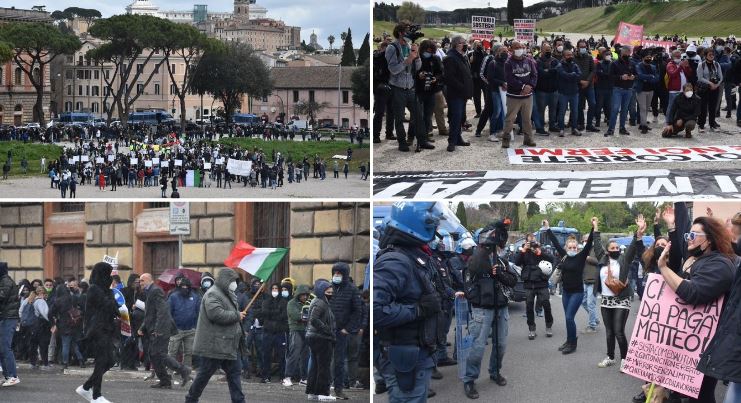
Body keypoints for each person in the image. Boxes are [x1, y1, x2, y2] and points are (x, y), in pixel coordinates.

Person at [658, 209, 736, 403]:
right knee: (687, 392)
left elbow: (693, 293)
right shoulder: (702, 259)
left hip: (706, 346)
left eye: (693, 235)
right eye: (687, 235)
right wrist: (675, 217)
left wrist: (663, 268)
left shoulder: (721, 265)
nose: (688, 239)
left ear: (708, 240)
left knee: (701, 395)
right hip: (691, 342)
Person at [375, 202, 447, 403]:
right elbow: (375, 310)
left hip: (416, 353)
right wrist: (417, 310)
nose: (437, 229)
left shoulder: (412, 255)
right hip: (405, 357)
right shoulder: (396, 261)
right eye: (433, 224)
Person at [461, 220, 517, 399]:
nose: (498, 242)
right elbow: (474, 268)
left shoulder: (501, 260)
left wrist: (499, 273)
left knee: (501, 345)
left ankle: (495, 372)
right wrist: (490, 236)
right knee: (477, 347)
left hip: (501, 308)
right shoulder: (477, 256)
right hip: (482, 309)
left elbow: (513, 280)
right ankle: (469, 379)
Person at [185, 269, 245, 403]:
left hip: (228, 344)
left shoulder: (228, 294)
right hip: (214, 346)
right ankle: (191, 399)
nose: (235, 284)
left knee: (234, 374)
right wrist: (237, 315)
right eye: (233, 281)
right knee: (204, 375)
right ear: (225, 280)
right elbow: (216, 314)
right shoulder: (213, 294)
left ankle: (239, 401)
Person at [594, 215, 644, 369]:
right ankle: (610, 357)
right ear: (607, 251)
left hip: (622, 299)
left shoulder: (624, 259)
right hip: (606, 300)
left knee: (618, 331)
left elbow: (633, 246)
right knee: (609, 332)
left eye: (617, 248)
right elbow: (596, 243)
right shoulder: (603, 259)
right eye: (612, 248)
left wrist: (639, 232)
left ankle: (625, 359)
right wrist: (595, 227)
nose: (616, 250)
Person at [545, 217, 597, 354]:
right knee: (569, 319)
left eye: (575, 247)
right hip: (566, 293)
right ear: (566, 248)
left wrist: (593, 227)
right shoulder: (564, 256)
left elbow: (590, 241)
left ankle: (573, 344)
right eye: (570, 247)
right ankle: (569, 340)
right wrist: (548, 228)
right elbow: (555, 243)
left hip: (577, 293)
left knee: (569, 317)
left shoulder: (581, 256)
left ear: (577, 247)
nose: (573, 249)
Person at [386, 22, 434, 153]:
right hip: (397, 88)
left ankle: (422, 140)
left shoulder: (409, 46)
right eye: (407, 31)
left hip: (411, 88)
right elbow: (393, 69)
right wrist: (408, 60)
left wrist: (416, 56)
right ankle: (402, 143)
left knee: (419, 115)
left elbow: (417, 68)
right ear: (400, 33)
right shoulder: (392, 48)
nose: (409, 33)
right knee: (399, 118)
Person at [138, 273, 192, 388]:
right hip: (156, 328)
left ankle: (183, 370)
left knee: (159, 354)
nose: (140, 283)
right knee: (154, 355)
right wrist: (143, 327)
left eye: (142, 281)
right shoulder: (150, 291)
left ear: (148, 280)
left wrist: (158, 329)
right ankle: (165, 380)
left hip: (161, 329)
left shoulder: (155, 291)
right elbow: (150, 314)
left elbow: (162, 311)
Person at [76, 262, 119, 403]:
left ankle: (86, 387)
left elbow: (114, 309)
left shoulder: (106, 290)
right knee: (102, 360)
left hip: (106, 328)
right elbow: (108, 305)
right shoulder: (94, 289)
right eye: (108, 274)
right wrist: (114, 301)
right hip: (96, 329)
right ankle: (96, 395)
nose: (111, 278)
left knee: (110, 361)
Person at [329, 262, 363, 400]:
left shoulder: (352, 290)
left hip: (341, 332)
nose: (336, 276)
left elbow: (357, 311)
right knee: (323, 360)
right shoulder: (329, 288)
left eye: (339, 273)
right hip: (326, 330)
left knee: (339, 361)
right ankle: (323, 387)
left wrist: (347, 329)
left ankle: (338, 388)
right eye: (335, 273)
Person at [515, 235, 555, 340]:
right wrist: (523, 250)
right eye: (530, 241)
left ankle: (549, 326)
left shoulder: (540, 249)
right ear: (526, 242)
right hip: (529, 283)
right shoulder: (524, 251)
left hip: (541, 282)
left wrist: (540, 252)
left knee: (546, 304)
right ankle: (532, 329)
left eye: (533, 240)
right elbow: (516, 262)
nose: (532, 243)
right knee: (529, 306)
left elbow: (552, 259)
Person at [501, 41, 538, 149]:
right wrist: (522, 87)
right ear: (511, 49)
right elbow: (510, 78)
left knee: (527, 119)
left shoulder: (529, 61)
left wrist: (530, 86)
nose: (519, 49)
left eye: (521, 47)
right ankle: (506, 140)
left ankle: (528, 139)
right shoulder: (508, 63)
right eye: (516, 47)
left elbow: (534, 75)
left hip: (528, 96)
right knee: (510, 119)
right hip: (514, 96)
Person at [305, 279, 336, 401]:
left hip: (315, 337)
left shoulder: (318, 301)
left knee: (315, 366)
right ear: (322, 292)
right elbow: (314, 319)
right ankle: (323, 393)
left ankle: (313, 392)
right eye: (328, 292)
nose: (331, 294)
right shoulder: (321, 303)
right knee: (323, 367)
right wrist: (327, 329)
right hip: (321, 338)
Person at [442, 36, 473, 152]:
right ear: (456, 44)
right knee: (455, 117)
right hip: (455, 93)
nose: (465, 44)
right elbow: (450, 78)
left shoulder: (462, 56)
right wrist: (463, 88)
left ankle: (458, 138)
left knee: (460, 117)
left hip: (462, 93)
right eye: (462, 43)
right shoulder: (450, 58)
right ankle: (452, 141)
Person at [256, 282, 288, 384]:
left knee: (282, 356)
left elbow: (283, 315)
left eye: (276, 289)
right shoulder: (266, 301)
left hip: (279, 332)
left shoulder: (284, 302)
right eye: (273, 289)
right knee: (266, 355)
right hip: (268, 332)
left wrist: (271, 314)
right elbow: (264, 313)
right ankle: (266, 376)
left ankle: (282, 376)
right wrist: (276, 312)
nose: (275, 290)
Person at [167, 277, 200, 370]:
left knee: (189, 353)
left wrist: (196, 327)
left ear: (190, 287)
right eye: (182, 286)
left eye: (186, 287)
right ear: (179, 287)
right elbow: (168, 312)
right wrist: (171, 326)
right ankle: (170, 371)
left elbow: (199, 312)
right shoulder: (173, 297)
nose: (184, 288)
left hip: (191, 330)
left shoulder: (195, 297)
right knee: (172, 352)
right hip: (176, 329)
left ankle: (186, 372)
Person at [50, 284, 84, 370]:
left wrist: (54, 322)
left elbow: (50, 313)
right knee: (74, 343)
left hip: (63, 324)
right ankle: (81, 360)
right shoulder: (73, 298)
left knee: (65, 344)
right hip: (75, 323)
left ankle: (65, 363)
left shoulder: (58, 300)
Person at [416, 40, 444, 144]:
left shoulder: (435, 59)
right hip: (419, 90)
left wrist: (435, 78)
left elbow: (441, 73)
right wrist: (419, 75)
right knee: (418, 114)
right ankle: (414, 135)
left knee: (428, 115)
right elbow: (412, 72)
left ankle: (427, 134)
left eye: (431, 50)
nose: (428, 52)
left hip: (432, 90)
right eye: (427, 50)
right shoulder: (417, 59)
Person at [284, 284, 310, 387]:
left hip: (307, 331)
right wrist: (304, 317)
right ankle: (287, 377)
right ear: (298, 294)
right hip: (295, 330)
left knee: (305, 356)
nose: (305, 297)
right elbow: (295, 315)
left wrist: (304, 317)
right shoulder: (291, 303)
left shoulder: (309, 303)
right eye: (303, 295)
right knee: (294, 354)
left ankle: (304, 378)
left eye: (306, 295)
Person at [606, 47, 636, 137]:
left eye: (629, 53)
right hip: (618, 89)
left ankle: (622, 128)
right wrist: (620, 77)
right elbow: (610, 76)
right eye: (626, 53)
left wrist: (633, 77)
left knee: (624, 110)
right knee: (615, 109)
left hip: (629, 89)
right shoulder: (614, 63)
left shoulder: (632, 63)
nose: (628, 55)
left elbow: (636, 74)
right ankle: (611, 129)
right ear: (622, 53)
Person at [0, 262, 20, 387]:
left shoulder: (5, 282)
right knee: (2, 348)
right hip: (6, 317)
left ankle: (13, 376)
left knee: (5, 347)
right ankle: (8, 376)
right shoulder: (4, 280)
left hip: (8, 317)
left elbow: (1, 297)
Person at [556, 49, 583, 137]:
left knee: (575, 111)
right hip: (563, 93)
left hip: (574, 92)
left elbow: (579, 75)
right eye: (568, 55)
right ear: (564, 57)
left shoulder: (575, 65)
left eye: (571, 55)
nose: (570, 56)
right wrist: (573, 75)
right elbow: (563, 75)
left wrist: (571, 75)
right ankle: (561, 129)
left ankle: (574, 128)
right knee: (562, 111)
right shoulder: (559, 65)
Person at [534, 43, 560, 135]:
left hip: (554, 90)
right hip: (542, 91)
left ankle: (552, 126)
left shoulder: (555, 61)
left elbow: (558, 70)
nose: (548, 51)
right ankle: (540, 127)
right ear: (542, 50)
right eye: (546, 49)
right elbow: (541, 73)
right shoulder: (538, 61)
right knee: (541, 110)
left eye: (549, 49)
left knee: (553, 109)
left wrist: (548, 70)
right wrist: (551, 71)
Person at [24, 286, 52, 369]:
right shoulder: (40, 301)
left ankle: (32, 363)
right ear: (43, 293)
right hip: (41, 325)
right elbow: (45, 313)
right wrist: (52, 322)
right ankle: (45, 364)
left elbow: (21, 311)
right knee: (43, 344)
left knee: (33, 345)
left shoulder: (30, 300)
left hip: (32, 326)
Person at [697, 49, 723, 132]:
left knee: (713, 107)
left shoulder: (717, 64)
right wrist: (710, 83)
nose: (712, 56)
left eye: (713, 54)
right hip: (704, 89)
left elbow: (721, 76)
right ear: (705, 56)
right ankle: (701, 125)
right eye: (710, 54)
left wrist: (716, 85)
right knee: (703, 108)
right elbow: (700, 78)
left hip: (715, 89)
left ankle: (712, 124)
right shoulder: (701, 65)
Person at [574, 39, 598, 132]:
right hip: (578, 86)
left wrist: (587, 81)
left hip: (589, 85)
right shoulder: (574, 58)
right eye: (581, 47)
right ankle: (581, 123)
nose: (583, 48)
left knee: (592, 104)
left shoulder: (589, 57)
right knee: (579, 106)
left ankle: (589, 124)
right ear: (577, 47)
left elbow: (593, 70)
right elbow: (573, 71)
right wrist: (580, 81)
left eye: (584, 47)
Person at [635, 49, 660, 134]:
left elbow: (657, 78)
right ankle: (644, 126)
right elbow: (640, 76)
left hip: (650, 90)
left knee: (646, 108)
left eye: (650, 57)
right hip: (641, 90)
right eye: (647, 57)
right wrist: (650, 77)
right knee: (643, 108)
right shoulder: (638, 66)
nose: (649, 58)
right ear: (643, 58)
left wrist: (648, 78)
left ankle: (643, 123)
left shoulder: (653, 66)